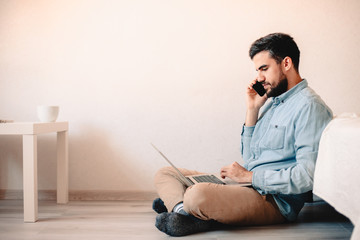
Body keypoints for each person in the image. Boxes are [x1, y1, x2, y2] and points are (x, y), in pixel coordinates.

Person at [152, 33, 333, 237]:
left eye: (264, 68)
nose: (259, 78)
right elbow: (250, 158)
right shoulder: (273, 102)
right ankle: (184, 211)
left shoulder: (309, 107)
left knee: (197, 194)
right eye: (257, 71)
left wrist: (250, 177)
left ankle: (183, 205)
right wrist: (252, 109)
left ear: (287, 63)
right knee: (166, 173)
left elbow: (307, 177)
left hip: (274, 201)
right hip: (246, 186)